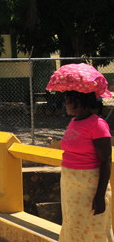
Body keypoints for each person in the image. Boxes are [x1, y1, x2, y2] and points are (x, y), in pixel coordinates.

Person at [59, 90, 113, 241]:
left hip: (89, 186)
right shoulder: (73, 122)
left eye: (68, 100)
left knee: (92, 228)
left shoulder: (97, 125)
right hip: (71, 186)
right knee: (72, 224)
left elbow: (106, 160)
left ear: (78, 102)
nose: (65, 105)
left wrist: (100, 195)